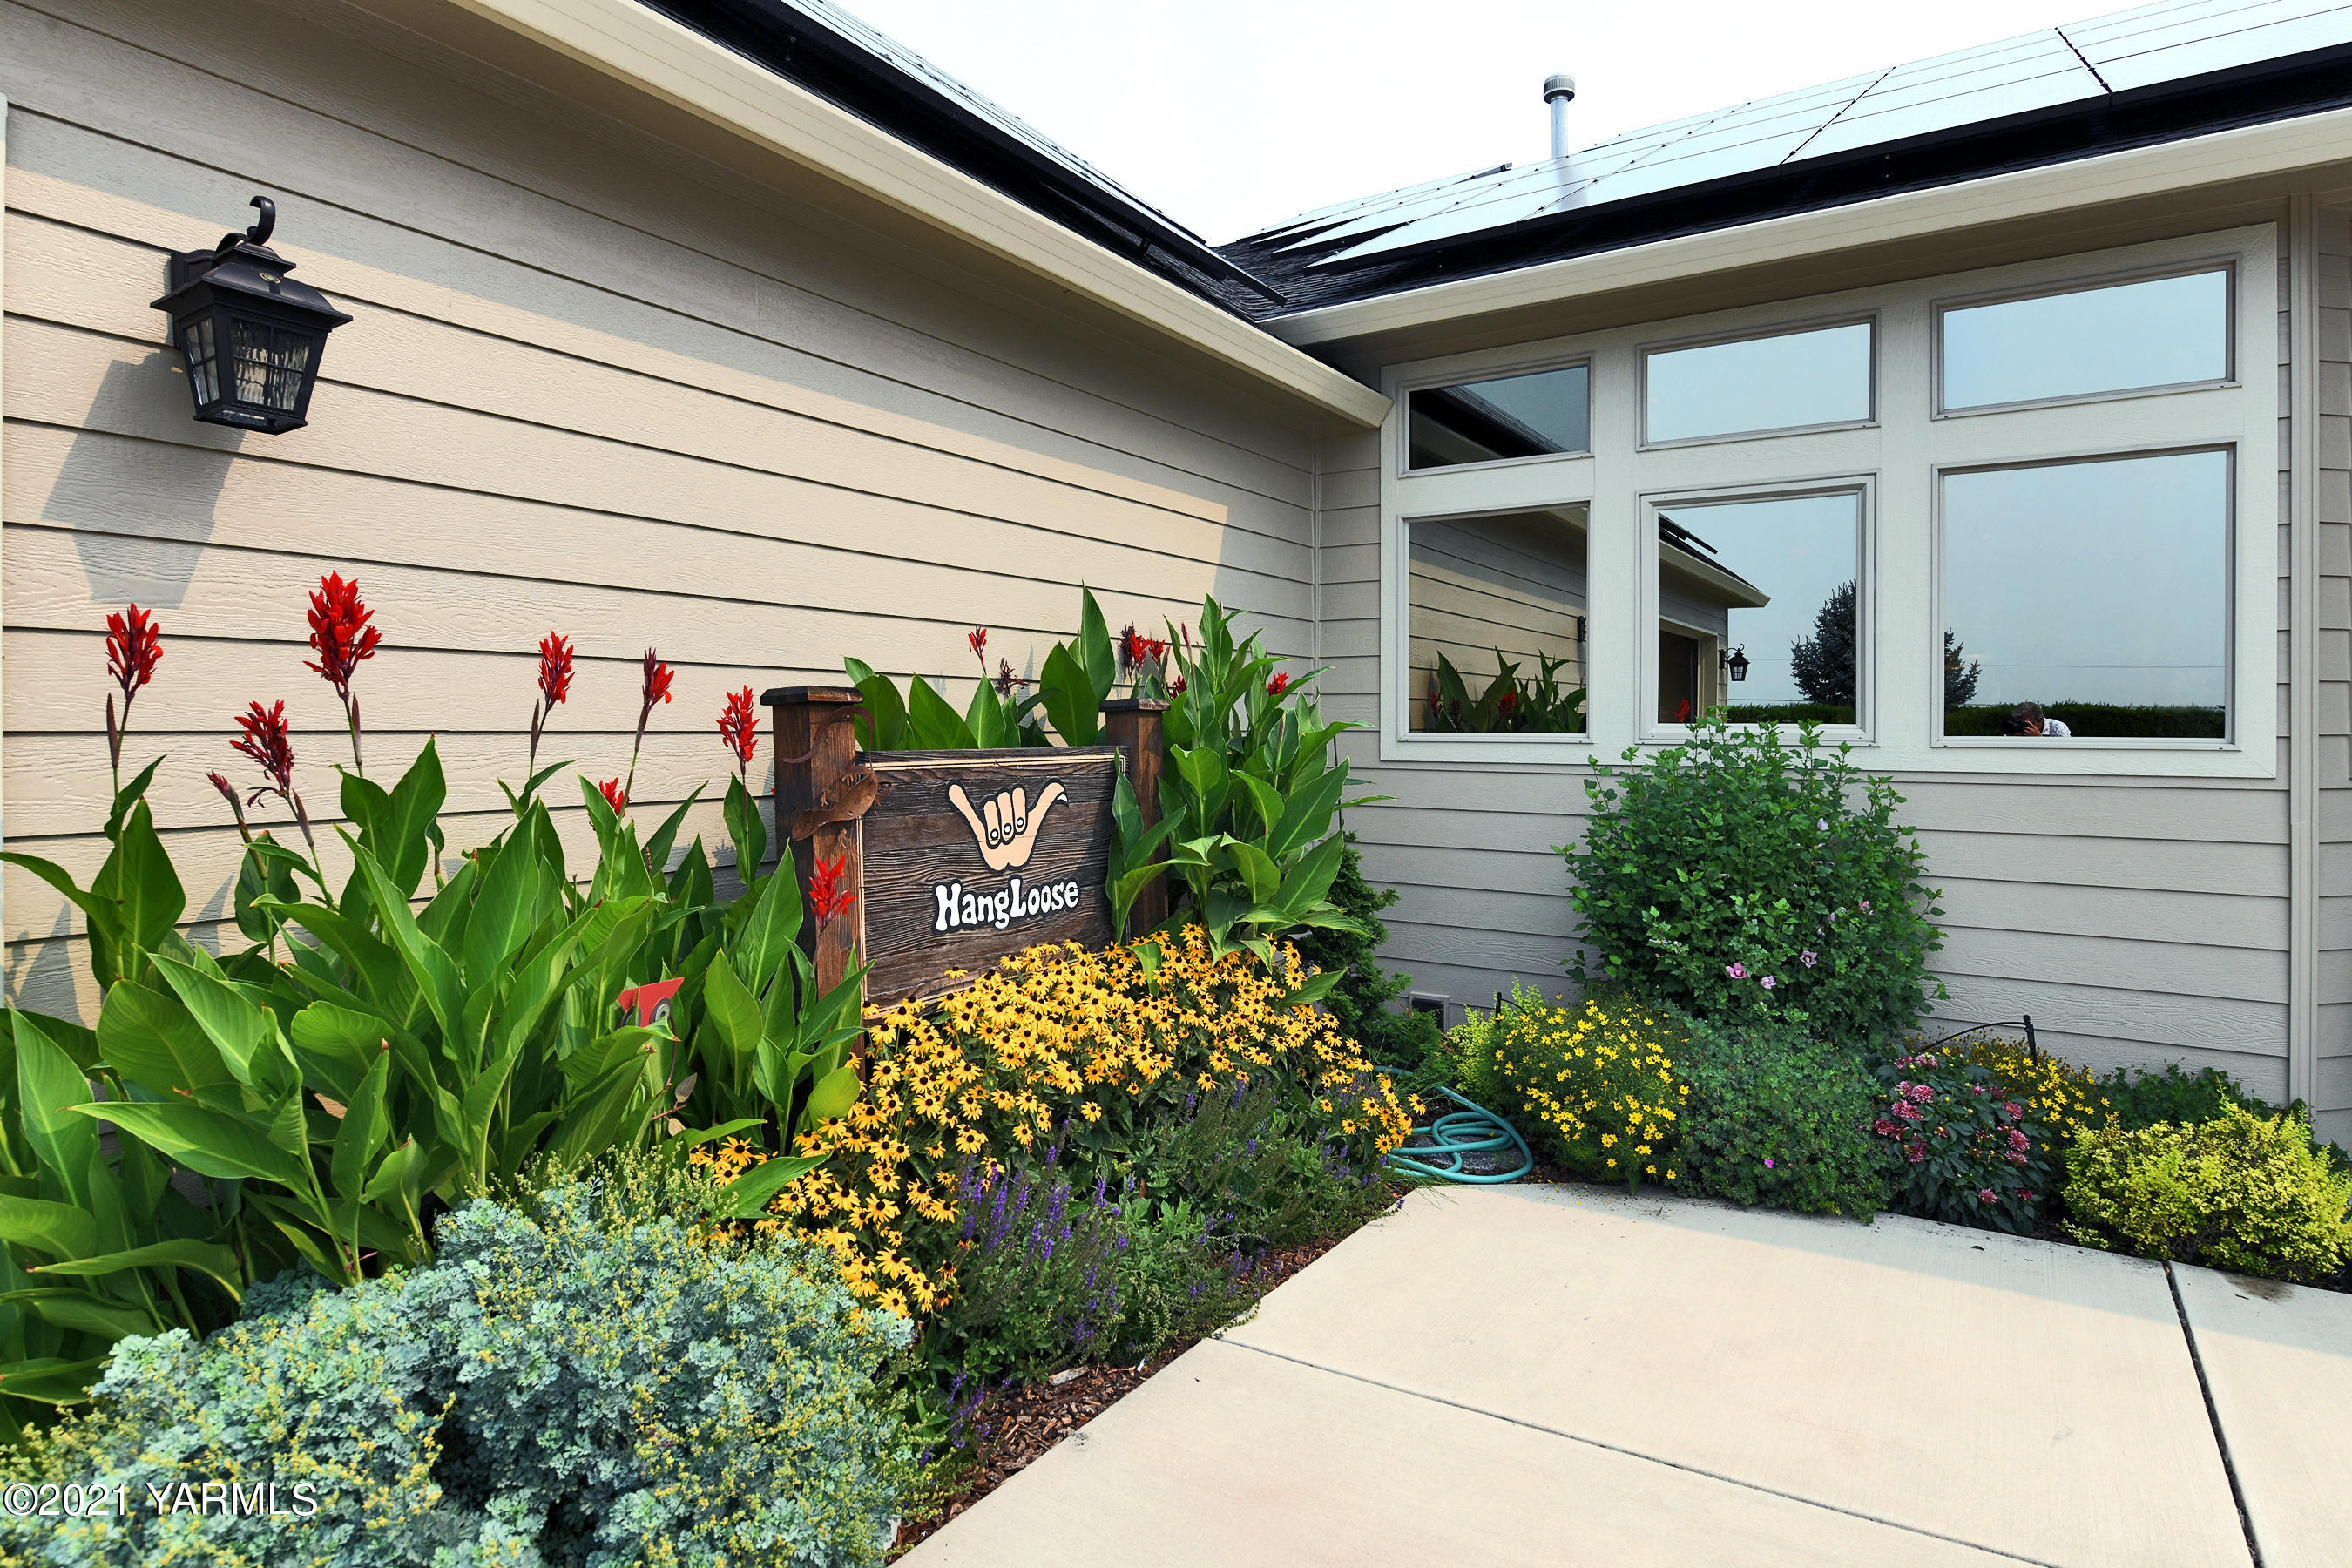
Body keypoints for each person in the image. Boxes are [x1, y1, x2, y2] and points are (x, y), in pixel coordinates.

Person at [2000, 701, 2072, 738]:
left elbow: (2063, 755)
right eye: (2017, 721)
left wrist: (2039, 739)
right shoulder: (2014, 728)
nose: (2020, 724)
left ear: (2039, 721)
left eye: (2025, 722)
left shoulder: (2058, 728)